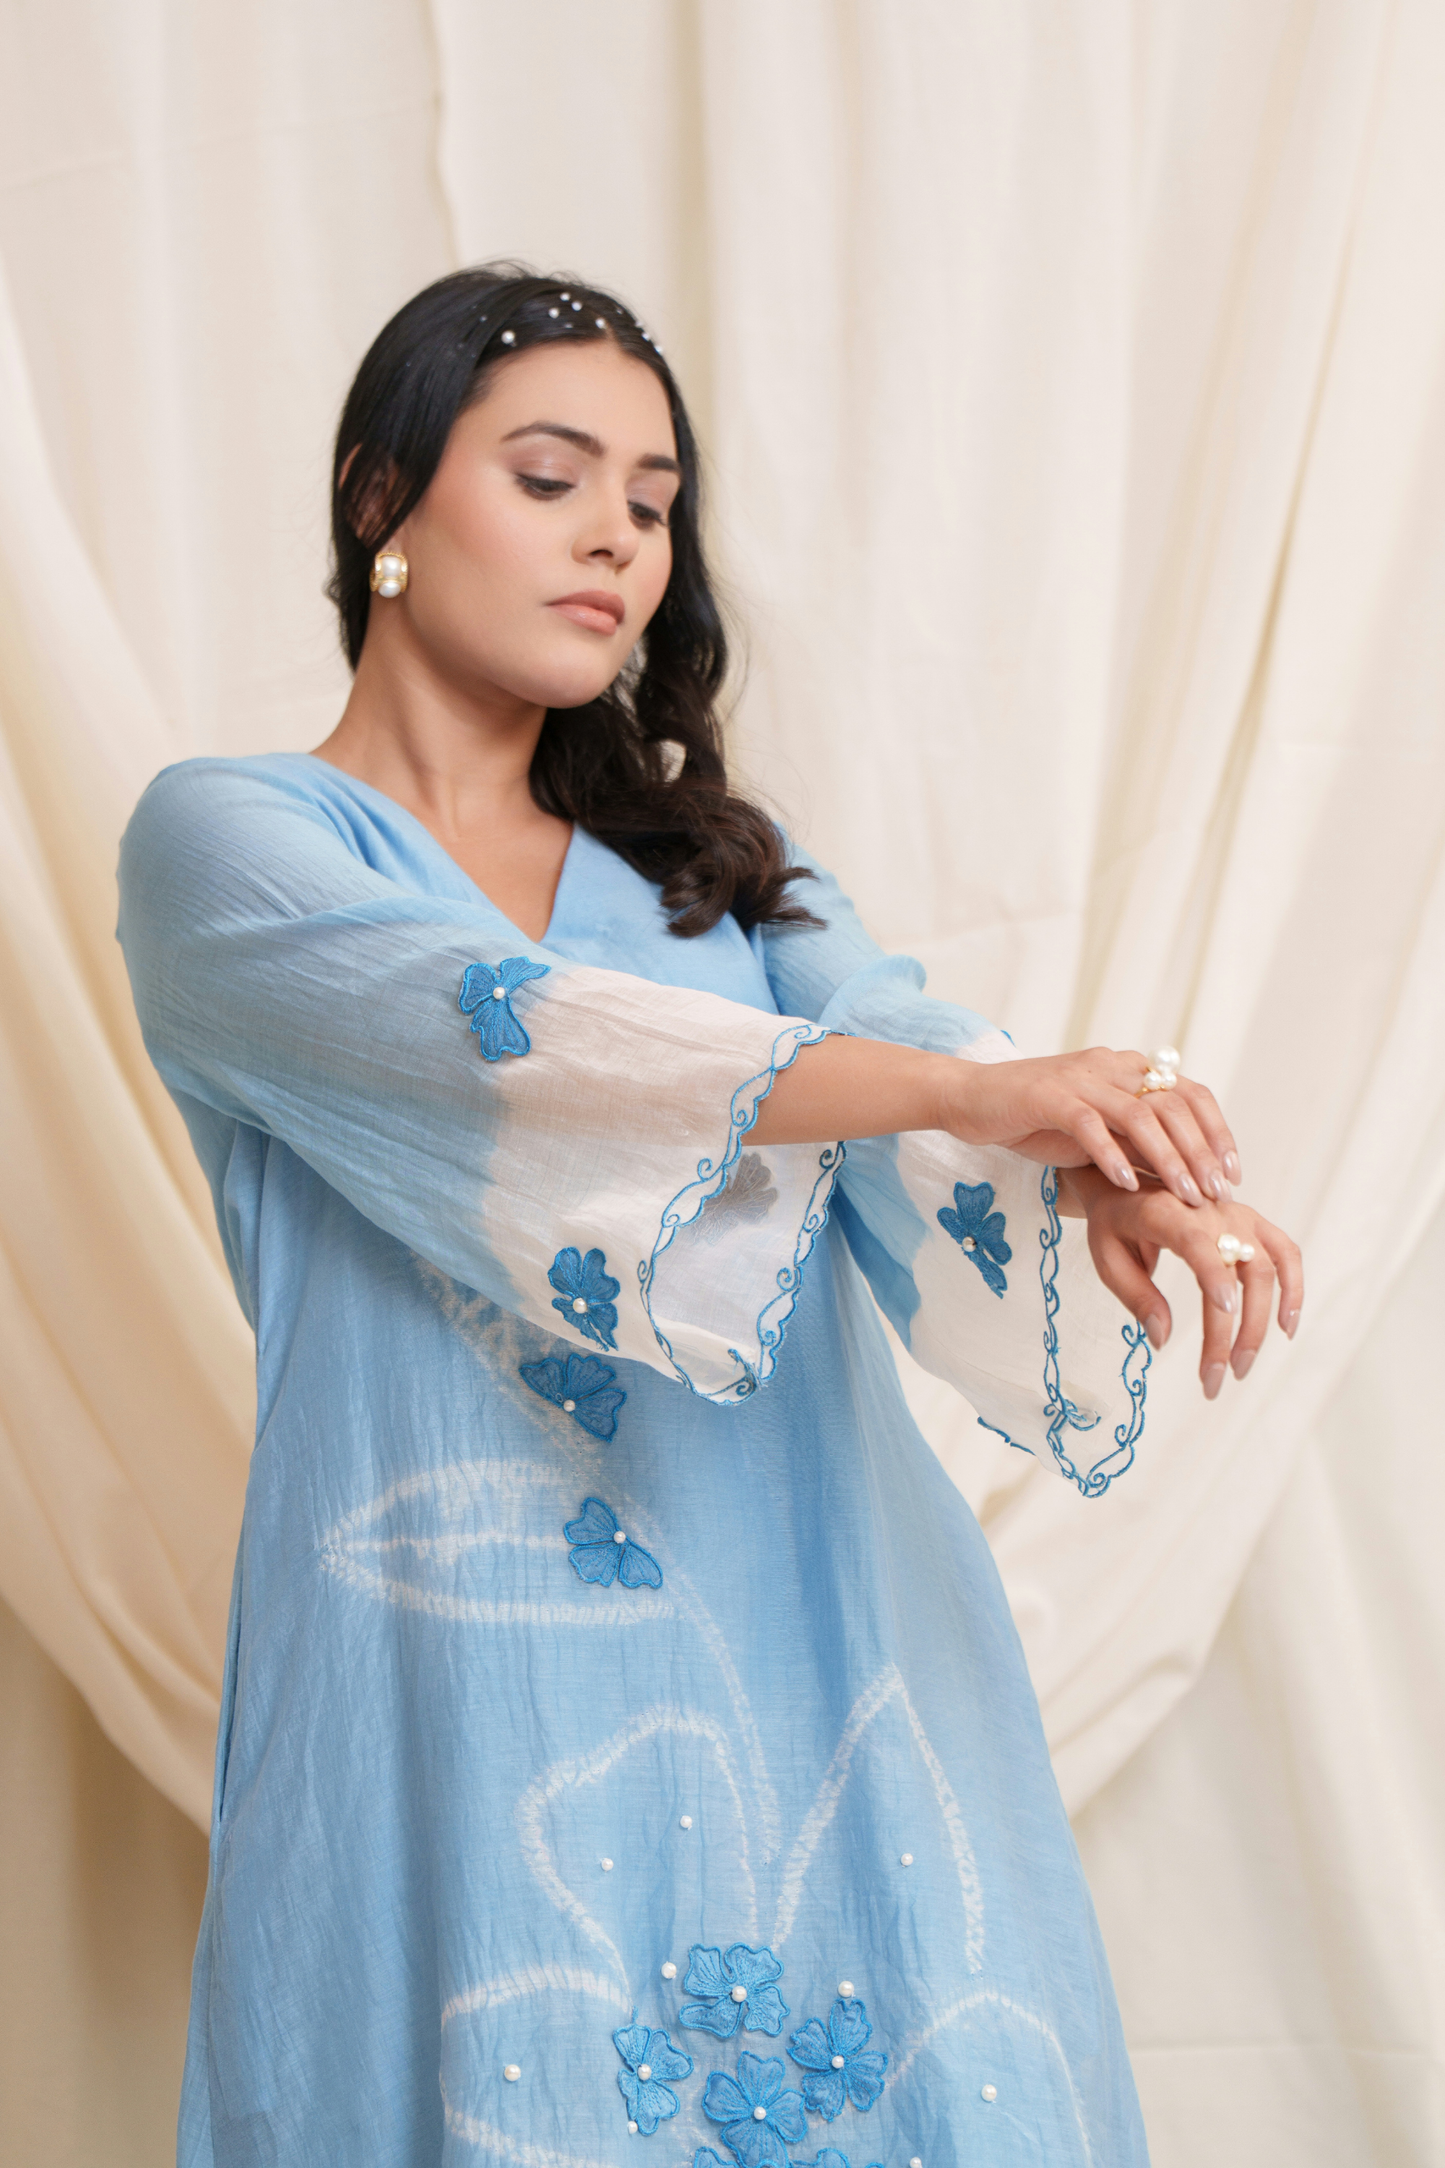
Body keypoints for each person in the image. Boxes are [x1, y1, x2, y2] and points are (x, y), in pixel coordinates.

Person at [118, 265, 1301, 2168]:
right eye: (552, 477)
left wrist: (1088, 1158)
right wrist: (959, 1091)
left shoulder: (716, 870)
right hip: (447, 1680)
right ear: (380, 498)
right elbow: (508, 1039)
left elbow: (904, 1040)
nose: (618, 538)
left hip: (816, 1628)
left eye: (655, 502)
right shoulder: (234, 842)